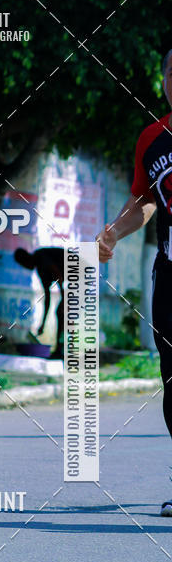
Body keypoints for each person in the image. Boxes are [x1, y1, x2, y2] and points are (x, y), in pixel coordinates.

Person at [96, 48, 171, 515]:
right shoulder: (153, 138)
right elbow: (143, 200)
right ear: (163, 79)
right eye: (171, 73)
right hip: (171, 276)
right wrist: (114, 232)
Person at [13, 247, 65, 358]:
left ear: (26, 258)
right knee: (61, 312)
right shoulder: (41, 271)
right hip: (71, 280)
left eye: (23, 264)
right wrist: (43, 324)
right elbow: (48, 298)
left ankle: (61, 349)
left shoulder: (40, 257)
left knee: (62, 312)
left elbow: (58, 275)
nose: (25, 267)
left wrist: (64, 297)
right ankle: (60, 349)